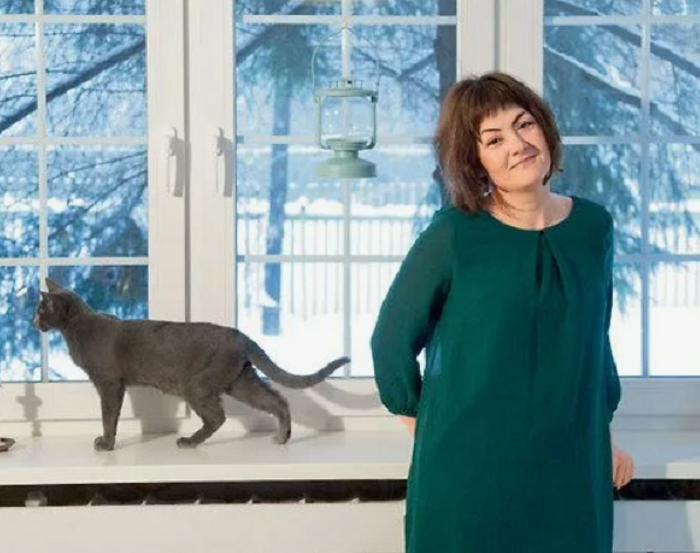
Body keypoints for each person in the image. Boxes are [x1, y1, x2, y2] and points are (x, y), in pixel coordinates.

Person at [371, 72, 635, 553]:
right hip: (467, 474)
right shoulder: (454, 234)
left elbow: (593, 343)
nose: (517, 144)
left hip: (571, 467)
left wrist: (603, 435)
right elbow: (390, 342)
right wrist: (430, 434)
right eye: (494, 140)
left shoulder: (593, 227)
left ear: (545, 130)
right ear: (475, 161)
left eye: (524, 124)